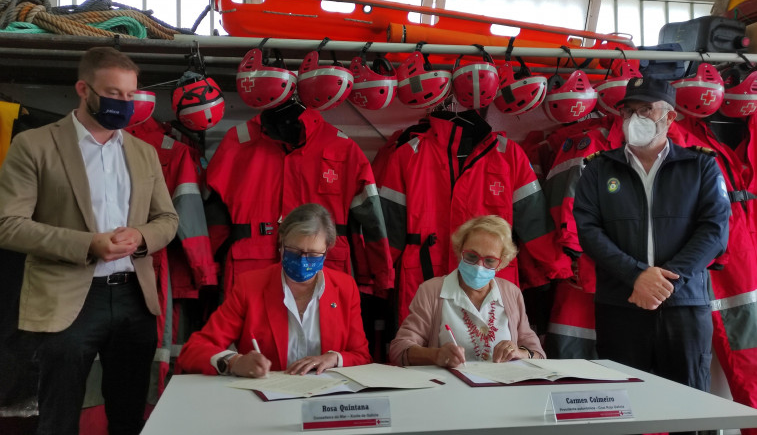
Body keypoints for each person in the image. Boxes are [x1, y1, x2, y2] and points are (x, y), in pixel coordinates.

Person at [0, 47, 179, 435]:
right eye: (114, 93)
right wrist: (88, 245)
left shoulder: (144, 153)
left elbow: (168, 219)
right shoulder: (34, 145)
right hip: (67, 300)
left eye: (131, 96)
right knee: (58, 416)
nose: (124, 104)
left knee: (129, 414)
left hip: (134, 298)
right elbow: (8, 225)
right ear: (83, 88)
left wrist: (142, 235)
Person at [573, 77, 730, 395]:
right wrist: (636, 277)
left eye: (646, 109)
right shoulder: (597, 171)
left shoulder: (701, 168)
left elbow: (714, 231)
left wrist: (665, 283)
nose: (635, 119)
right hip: (620, 306)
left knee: (688, 408)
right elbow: (588, 232)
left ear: (670, 117)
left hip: (683, 306)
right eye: (629, 111)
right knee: (621, 407)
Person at [177, 203, 371, 377]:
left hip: (325, 405)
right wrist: (234, 362)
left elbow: (361, 356)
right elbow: (194, 350)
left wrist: (334, 358)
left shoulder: (345, 287)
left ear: (327, 250)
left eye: (312, 254)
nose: (303, 260)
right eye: (294, 251)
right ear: (280, 244)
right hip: (266, 401)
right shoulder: (250, 286)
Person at [390, 215, 544, 367]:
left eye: (489, 260)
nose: (478, 266)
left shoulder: (512, 292)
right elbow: (399, 349)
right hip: (449, 389)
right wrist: (436, 355)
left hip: (501, 389)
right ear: (459, 250)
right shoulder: (431, 291)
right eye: (471, 256)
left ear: (501, 262)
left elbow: (538, 353)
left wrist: (520, 352)